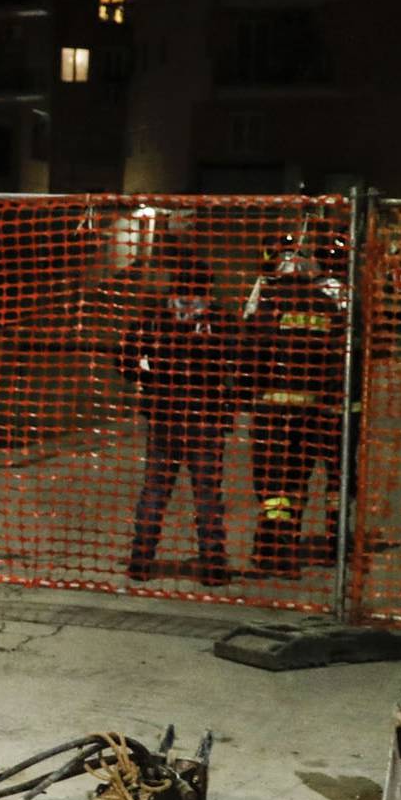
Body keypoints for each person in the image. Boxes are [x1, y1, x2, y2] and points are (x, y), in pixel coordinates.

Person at [118, 249, 238, 586]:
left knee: (155, 490)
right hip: (206, 417)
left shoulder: (154, 318)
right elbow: (240, 358)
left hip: (164, 416)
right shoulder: (220, 319)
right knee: (207, 494)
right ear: (208, 286)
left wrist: (148, 375)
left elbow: (124, 359)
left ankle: (140, 561)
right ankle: (213, 565)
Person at [240, 227, 350, 575]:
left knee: (272, 484)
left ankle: (268, 550)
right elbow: (336, 358)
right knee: (298, 481)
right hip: (312, 409)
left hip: (272, 408)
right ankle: (286, 552)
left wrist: (245, 393)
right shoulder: (327, 305)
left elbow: (251, 350)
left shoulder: (269, 302)